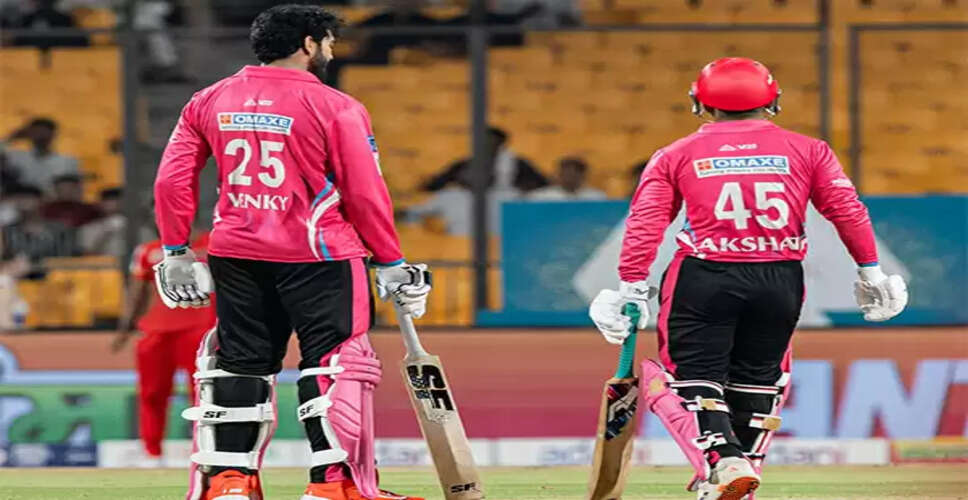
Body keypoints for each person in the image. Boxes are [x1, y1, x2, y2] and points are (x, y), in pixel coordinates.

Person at [588, 58, 908, 500]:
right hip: (780, 277)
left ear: (700, 103)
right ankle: (736, 477)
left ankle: (723, 460)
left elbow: (647, 222)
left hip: (704, 275)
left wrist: (631, 286)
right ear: (773, 101)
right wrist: (870, 270)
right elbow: (846, 210)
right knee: (758, 380)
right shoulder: (810, 149)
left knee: (693, 376)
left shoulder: (676, 154)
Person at [150, 6, 431, 500]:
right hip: (319, 254)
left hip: (236, 254)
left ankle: (227, 485)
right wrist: (389, 261)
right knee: (337, 363)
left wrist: (175, 249)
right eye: (328, 41)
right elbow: (364, 192)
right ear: (308, 43)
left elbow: (172, 179)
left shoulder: (209, 99)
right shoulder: (335, 105)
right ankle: (336, 487)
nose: (331, 51)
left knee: (239, 363)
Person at [111, 229, 216, 467]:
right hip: (156, 331)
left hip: (199, 328)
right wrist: (125, 329)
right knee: (152, 394)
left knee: (202, 394)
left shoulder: (212, 243)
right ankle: (152, 453)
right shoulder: (147, 251)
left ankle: (205, 450)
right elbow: (137, 293)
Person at [422, 126, 547, 194]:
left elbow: (542, 185)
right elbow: (437, 184)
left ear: (501, 143)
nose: (486, 144)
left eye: (490, 140)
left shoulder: (518, 164)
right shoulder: (465, 164)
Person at [1, 185, 79, 278]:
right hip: (17, 279)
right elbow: (5, 259)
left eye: (28, 198)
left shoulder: (59, 229)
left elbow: (67, 258)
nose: (23, 202)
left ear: (41, 200)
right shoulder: (8, 231)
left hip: (56, 279)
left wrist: (36, 265)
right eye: (19, 198)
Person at [2, 118, 81, 196]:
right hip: (23, 199)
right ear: (30, 134)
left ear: (53, 135)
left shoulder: (67, 161)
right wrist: (10, 138)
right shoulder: (16, 157)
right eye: (37, 132)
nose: (41, 135)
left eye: (44, 132)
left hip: (54, 201)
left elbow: (75, 188)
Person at [528, 156, 606, 201]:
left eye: (573, 175)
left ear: (582, 176)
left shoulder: (596, 197)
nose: (568, 178)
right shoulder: (540, 197)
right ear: (559, 175)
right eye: (565, 174)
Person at [79, 187, 126, 258]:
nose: (113, 203)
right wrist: (106, 232)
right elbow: (87, 255)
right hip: (101, 264)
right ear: (100, 203)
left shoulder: (134, 226)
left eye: (116, 200)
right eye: (108, 200)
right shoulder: (88, 228)